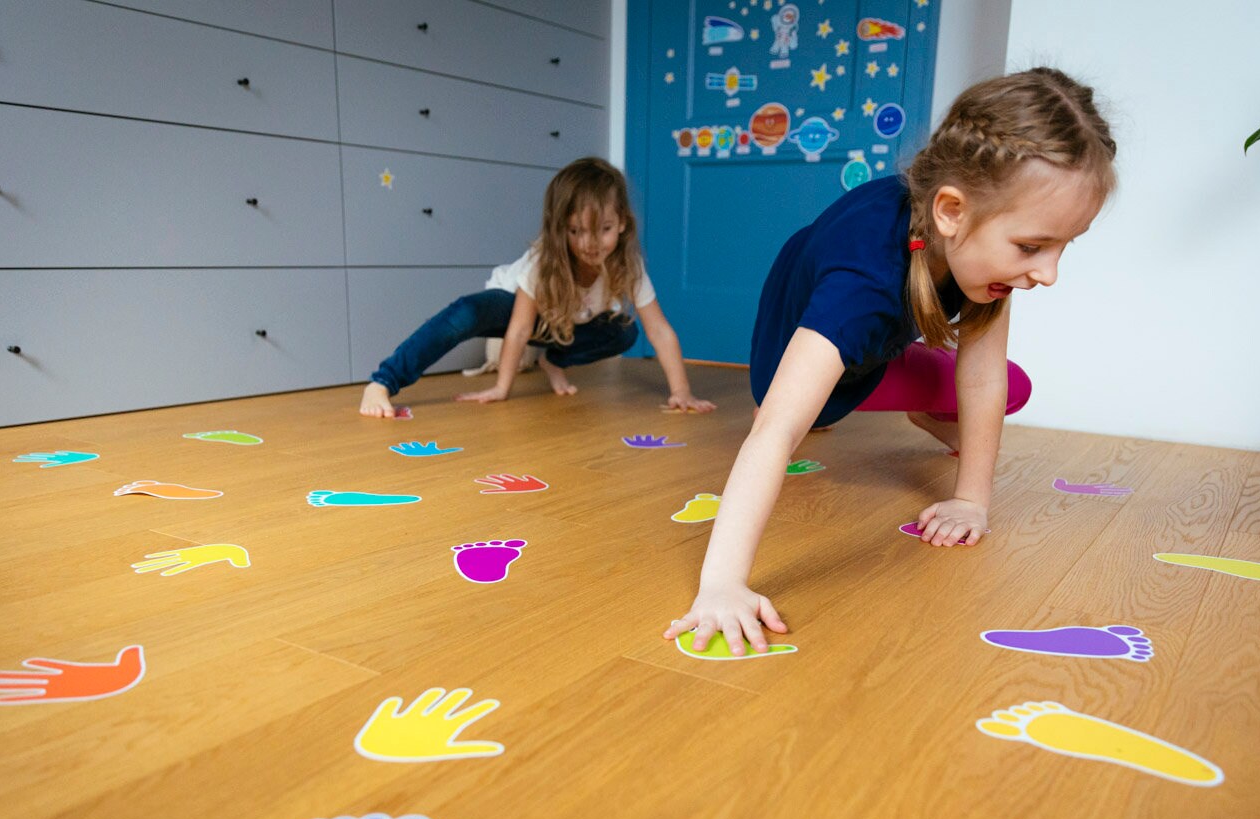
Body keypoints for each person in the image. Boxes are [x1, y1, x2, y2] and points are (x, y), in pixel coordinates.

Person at [665, 68, 1117, 655]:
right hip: (795, 342)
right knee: (807, 412)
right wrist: (722, 584)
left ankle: (914, 406)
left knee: (1011, 385)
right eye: (1032, 247)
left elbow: (982, 377)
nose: (1049, 273)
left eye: (1064, 246)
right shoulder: (861, 293)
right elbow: (771, 433)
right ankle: (845, 393)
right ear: (951, 211)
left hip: (881, 334)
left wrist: (971, 499)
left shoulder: (969, 248)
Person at [359, 157, 715, 416]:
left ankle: (553, 360)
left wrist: (681, 391)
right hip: (513, 308)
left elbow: (659, 329)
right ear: (562, 229)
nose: (590, 244)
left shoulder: (627, 265)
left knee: (625, 332)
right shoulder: (546, 260)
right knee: (465, 312)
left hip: (561, 325)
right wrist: (502, 388)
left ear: (622, 223)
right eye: (576, 232)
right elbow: (519, 329)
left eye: (603, 229)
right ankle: (383, 381)